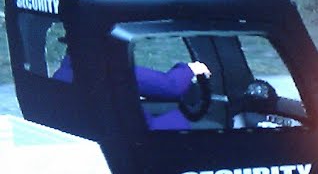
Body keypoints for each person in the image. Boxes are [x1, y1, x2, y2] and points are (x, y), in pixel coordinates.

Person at [53, 53, 211, 130]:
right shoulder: (109, 71)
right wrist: (191, 69)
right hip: (137, 138)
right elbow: (171, 87)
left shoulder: (61, 74)